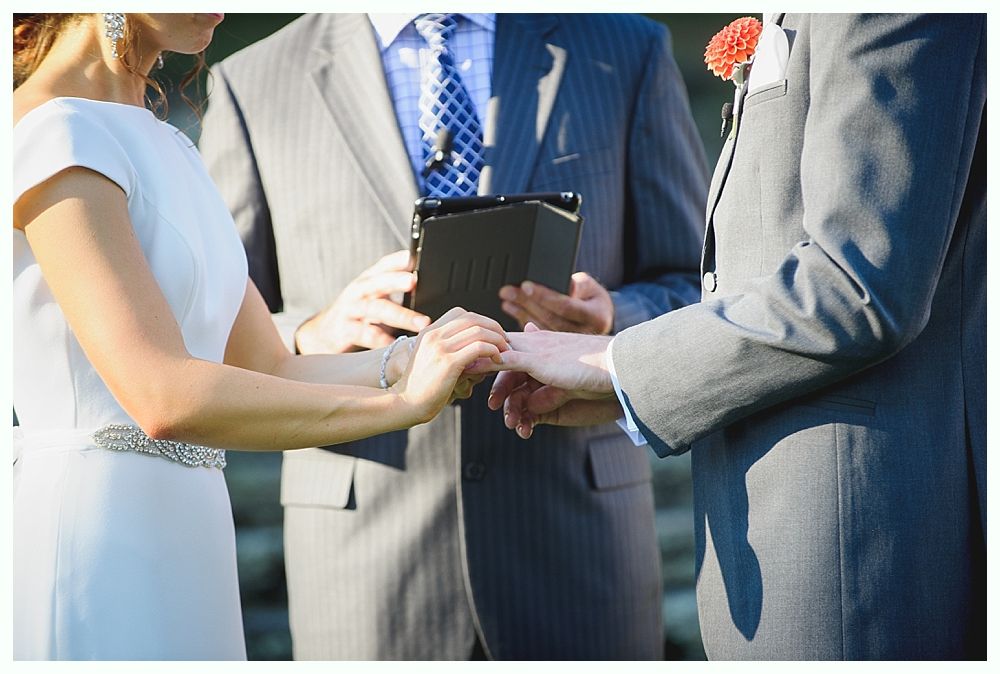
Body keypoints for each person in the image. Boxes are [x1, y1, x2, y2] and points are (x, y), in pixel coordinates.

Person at [199, 12, 707, 659]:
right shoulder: (253, 79)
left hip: (576, 542)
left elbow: (699, 286)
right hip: (363, 551)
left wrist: (612, 319)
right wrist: (310, 332)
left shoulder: (624, 47)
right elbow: (207, 326)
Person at [488, 13, 986, 659]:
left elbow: (857, 285)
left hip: (856, 531)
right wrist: (624, 367)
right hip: (771, 515)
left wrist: (622, 364)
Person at [12, 12, 507, 661]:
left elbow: (269, 363)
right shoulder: (49, 132)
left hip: (189, 533)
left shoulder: (171, 143)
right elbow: (163, 396)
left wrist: (411, 358)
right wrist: (401, 405)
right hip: (97, 536)